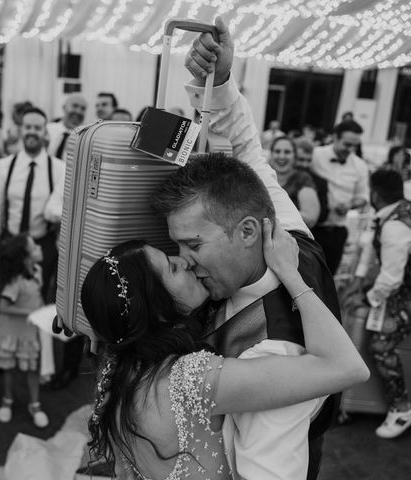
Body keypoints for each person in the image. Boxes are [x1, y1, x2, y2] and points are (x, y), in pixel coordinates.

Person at [157, 19, 343, 480]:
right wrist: (217, 81)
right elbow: (246, 148)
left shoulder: (275, 358)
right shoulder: (281, 228)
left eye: (193, 243)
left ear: (245, 233)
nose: (183, 259)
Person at [81, 225, 369, 480]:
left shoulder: (116, 373)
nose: (184, 260)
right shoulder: (190, 380)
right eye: (172, 267)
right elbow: (347, 367)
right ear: (155, 309)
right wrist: (291, 275)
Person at [352, 169, 411, 439]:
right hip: (404, 290)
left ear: (375, 193)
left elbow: (391, 279)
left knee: (381, 345)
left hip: (405, 293)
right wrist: (360, 282)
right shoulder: (398, 212)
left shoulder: (395, 225)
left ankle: (402, 409)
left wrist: (368, 298)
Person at [0, 107, 64, 300]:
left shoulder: (59, 168)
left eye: (37, 127)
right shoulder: (5, 166)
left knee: (38, 299)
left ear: (45, 132)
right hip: (10, 243)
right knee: (5, 300)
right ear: (21, 130)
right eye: (28, 126)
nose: (32, 132)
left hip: (41, 246)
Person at [0, 233, 49, 428]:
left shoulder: (37, 270)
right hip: (12, 332)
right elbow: (3, 307)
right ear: (25, 257)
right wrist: (31, 311)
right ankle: (7, 399)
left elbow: (37, 297)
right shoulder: (15, 281)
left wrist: (42, 312)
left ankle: (35, 405)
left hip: (30, 331)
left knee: (32, 369)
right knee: (10, 368)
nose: (39, 247)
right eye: (34, 247)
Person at [310, 120, 370, 274]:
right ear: (335, 137)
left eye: (354, 145)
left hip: (337, 232)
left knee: (328, 278)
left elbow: (363, 197)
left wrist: (349, 205)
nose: (350, 149)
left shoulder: (360, 166)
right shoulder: (315, 155)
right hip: (311, 228)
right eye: (347, 144)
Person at [268, 136, 320, 227]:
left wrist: (268, 212)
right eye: (277, 151)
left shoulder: (302, 178)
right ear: (271, 154)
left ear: (295, 156)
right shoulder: (263, 176)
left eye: (287, 152)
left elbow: (311, 218)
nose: (282, 156)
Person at [46, 94, 87, 158]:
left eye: (83, 108)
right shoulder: (47, 130)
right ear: (64, 107)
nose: (78, 111)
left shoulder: (86, 138)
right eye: (75, 106)